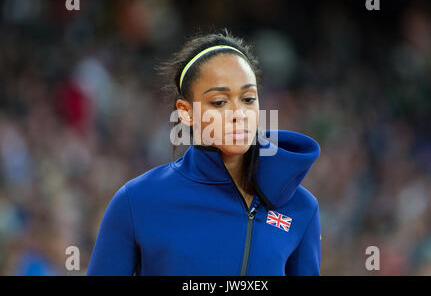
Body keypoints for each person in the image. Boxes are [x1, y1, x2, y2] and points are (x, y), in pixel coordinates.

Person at [87, 29, 321, 276]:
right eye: (219, 102)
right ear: (186, 112)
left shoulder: (301, 208)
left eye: (249, 99)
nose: (238, 114)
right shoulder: (135, 202)